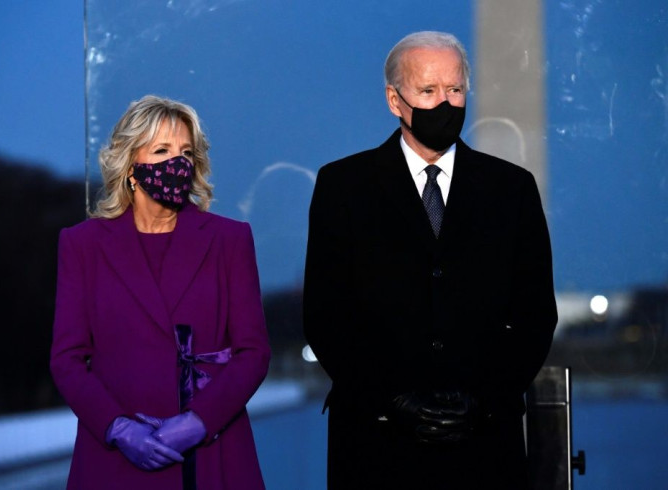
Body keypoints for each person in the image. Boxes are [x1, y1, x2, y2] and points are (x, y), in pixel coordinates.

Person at [303, 31, 557, 489]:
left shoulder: (511, 189)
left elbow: (535, 315)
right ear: (394, 100)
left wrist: (481, 401)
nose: (445, 102)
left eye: (455, 89)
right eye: (428, 90)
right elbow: (326, 316)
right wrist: (392, 400)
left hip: (484, 447)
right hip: (375, 446)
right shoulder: (343, 187)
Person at [50, 95, 270, 490]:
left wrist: (198, 422)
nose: (178, 163)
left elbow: (253, 353)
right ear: (130, 165)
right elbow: (66, 359)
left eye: (186, 152)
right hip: (115, 458)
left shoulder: (229, 240)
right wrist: (118, 429)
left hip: (211, 451)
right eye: (162, 150)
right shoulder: (82, 244)